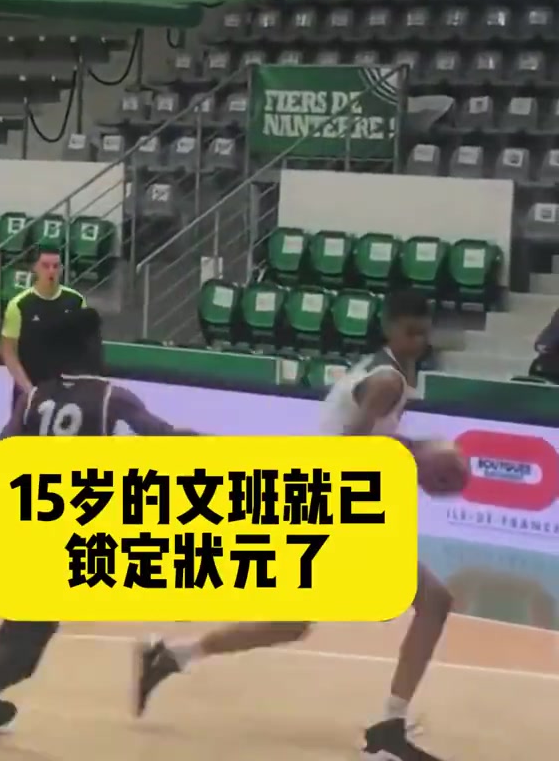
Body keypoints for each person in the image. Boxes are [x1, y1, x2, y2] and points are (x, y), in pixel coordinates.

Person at [135, 289, 457, 761]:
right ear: (389, 328)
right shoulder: (387, 380)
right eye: (410, 333)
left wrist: (413, 450)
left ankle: (171, 656)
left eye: (423, 334)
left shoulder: (383, 368)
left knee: (289, 625)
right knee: (434, 601)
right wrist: (418, 455)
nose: (418, 342)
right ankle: (390, 726)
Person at [0, 307, 198, 761]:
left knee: (15, 642)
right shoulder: (111, 397)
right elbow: (164, 439)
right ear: (90, 347)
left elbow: (3, 454)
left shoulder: (36, 397)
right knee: (17, 659)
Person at [0, 246, 85, 403]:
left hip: (66, 393)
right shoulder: (19, 305)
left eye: (56, 266)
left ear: (62, 269)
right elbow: (9, 353)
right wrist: (30, 390)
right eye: (45, 266)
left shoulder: (76, 302)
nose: (51, 271)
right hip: (29, 391)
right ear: (35, 268)